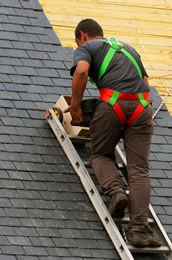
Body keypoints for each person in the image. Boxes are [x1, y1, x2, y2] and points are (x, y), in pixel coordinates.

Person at [65, 18, 162, 247]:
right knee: (139, 169)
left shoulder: (87, 48)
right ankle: (139, 230)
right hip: (142, 107)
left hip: (112, 104)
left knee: (100, 154)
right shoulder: (129, 49)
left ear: (83, 36)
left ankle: (115, 190)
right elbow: (145, 84)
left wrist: (77, 106)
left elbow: (81, 72)